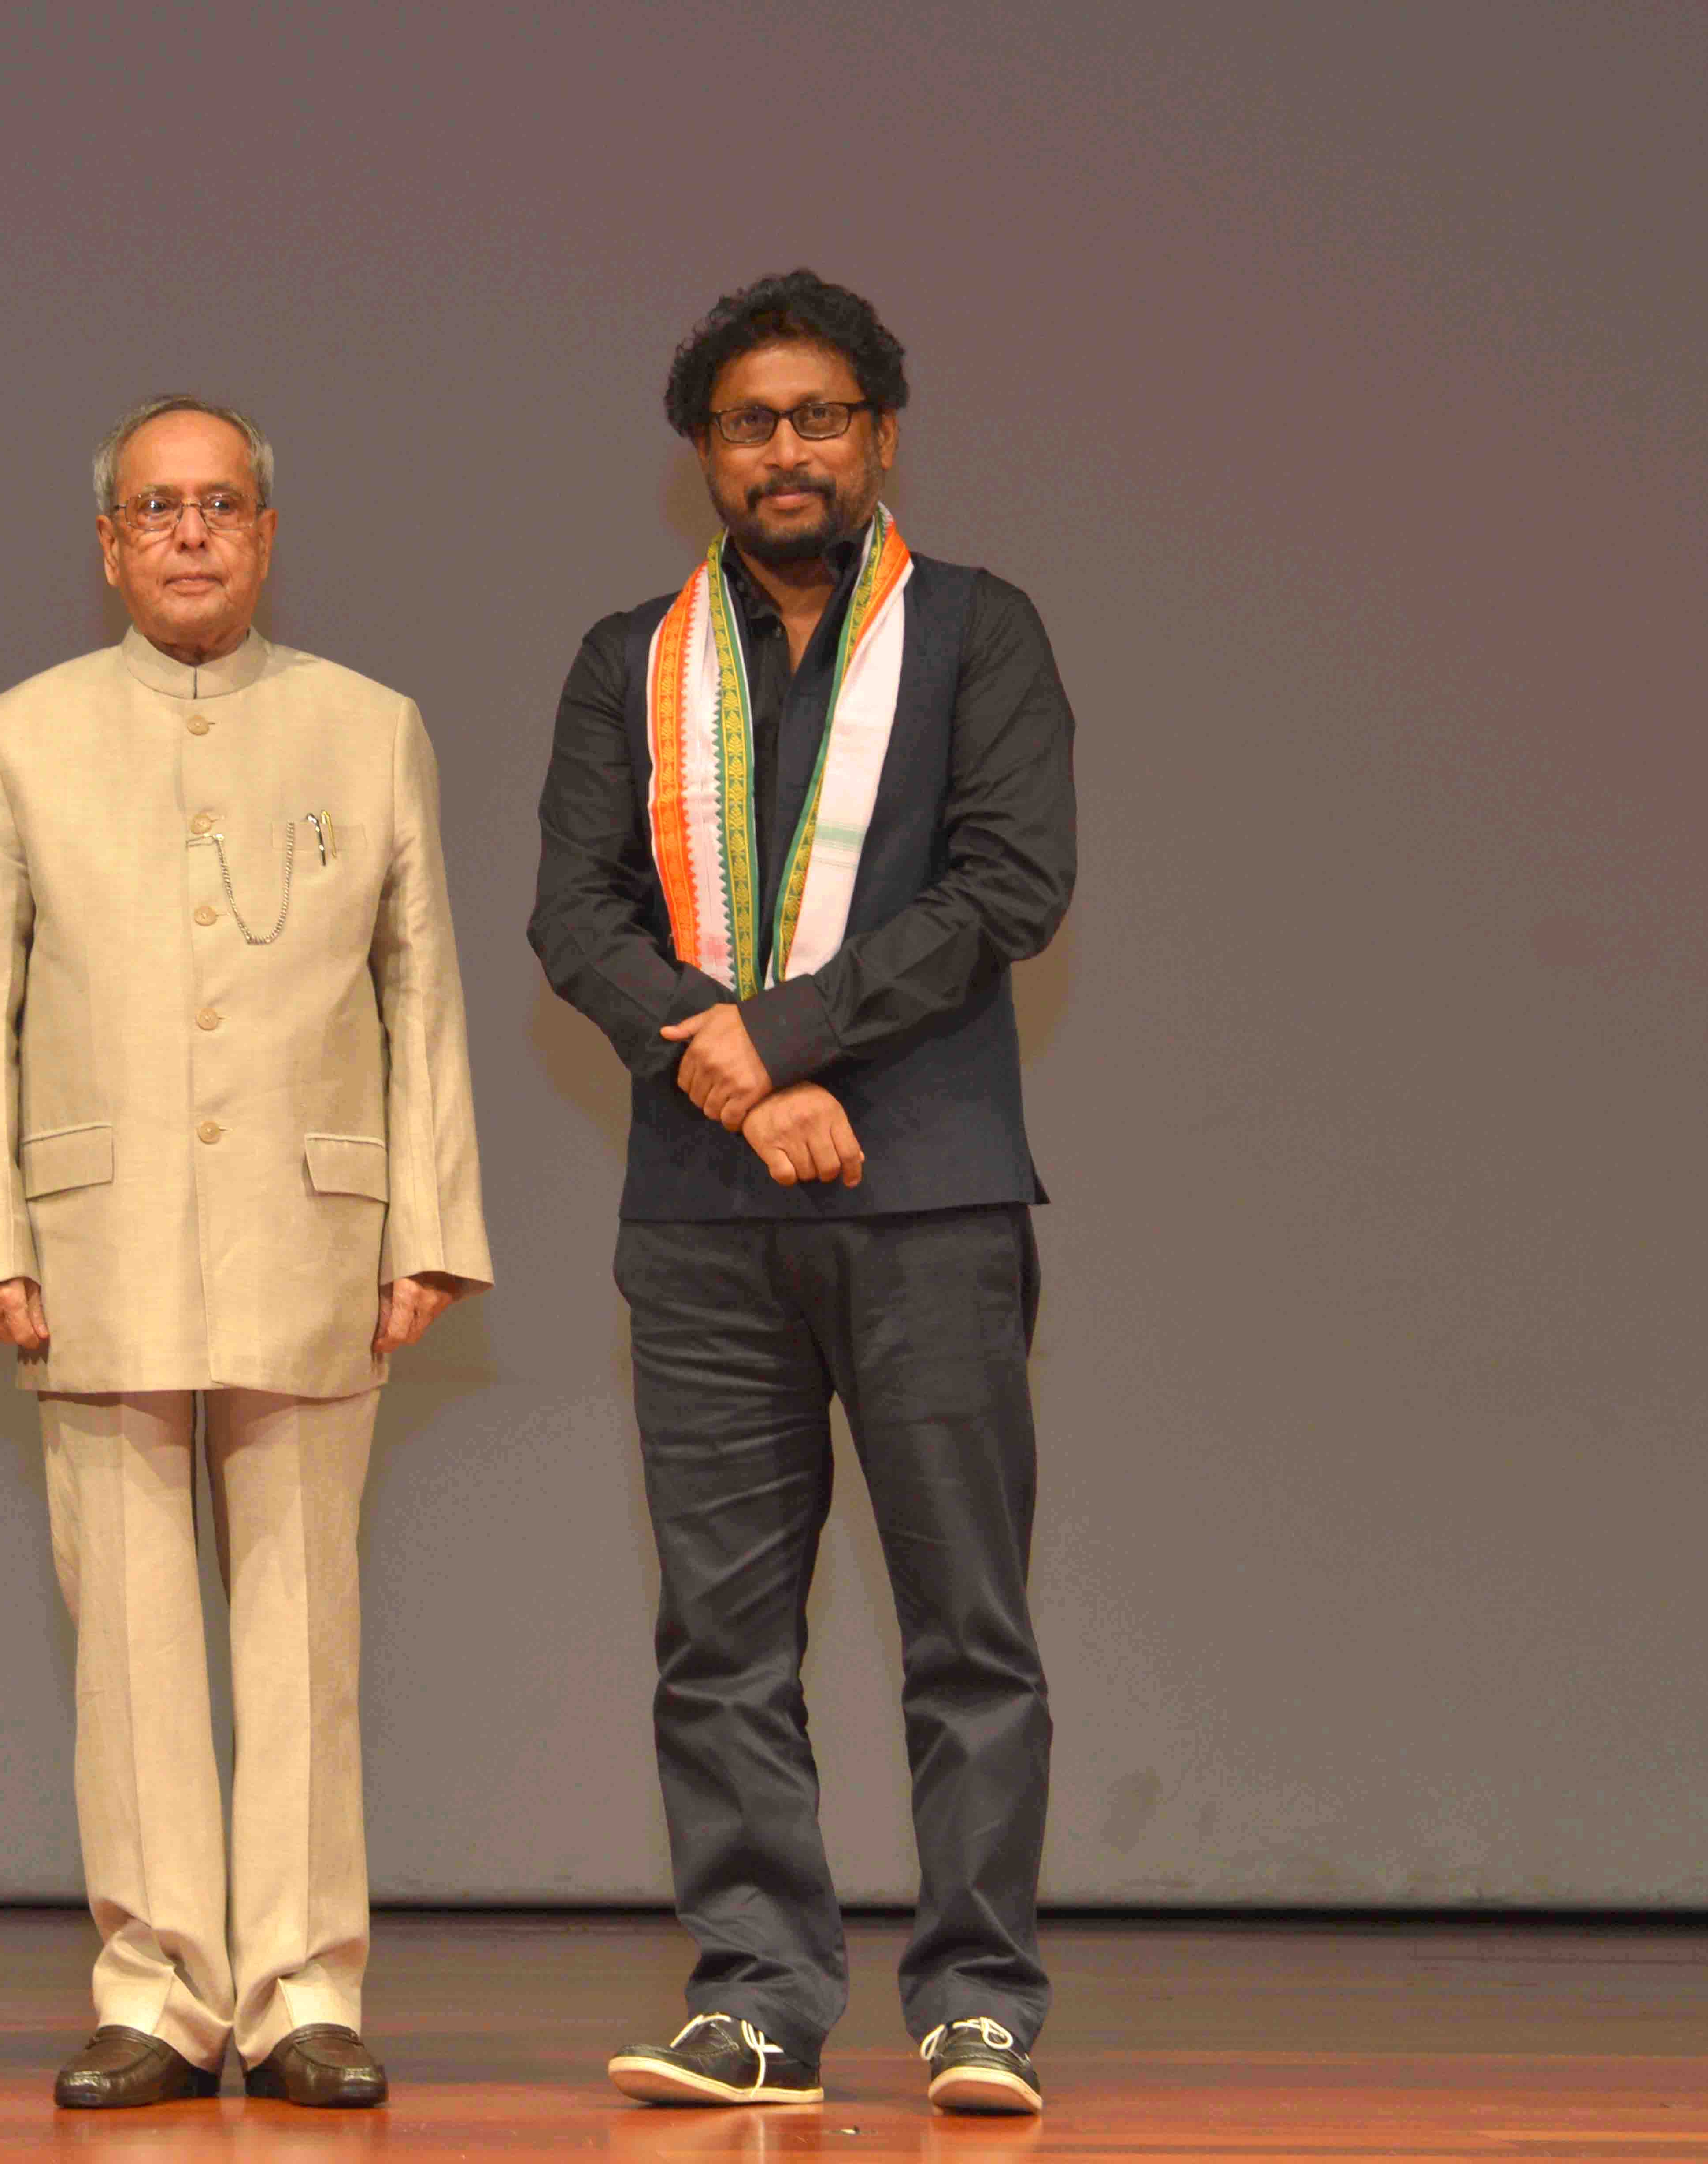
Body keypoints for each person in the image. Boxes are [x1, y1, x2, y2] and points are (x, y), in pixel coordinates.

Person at [529, 271, 1076, 2118]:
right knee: (722, 1633)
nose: (787, 451)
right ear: (705, 454)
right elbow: (572, 916)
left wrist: (778, 1040)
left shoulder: (978, 635)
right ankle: (757, 1991)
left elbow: (1007, 884)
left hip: (925, 1199)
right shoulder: (631, 660)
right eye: (751, 423)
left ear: (882, 435)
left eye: (820, 416)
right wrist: (736, 1077)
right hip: (703, 1217)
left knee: (966, 1621)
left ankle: (979, 1995)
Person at [0, 396, 491, 2111]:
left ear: (263, 532)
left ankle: (303, 1984)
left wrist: (431, 1224)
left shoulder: (367, 724)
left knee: (302, 1621)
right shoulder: (17, 736)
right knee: (129, 1637)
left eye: (220, 506)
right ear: (106, 542)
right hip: (93, 1233)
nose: (188, 534)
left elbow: (423, 991)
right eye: (156, 509)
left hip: (312, 1229)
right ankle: (159, 1986)